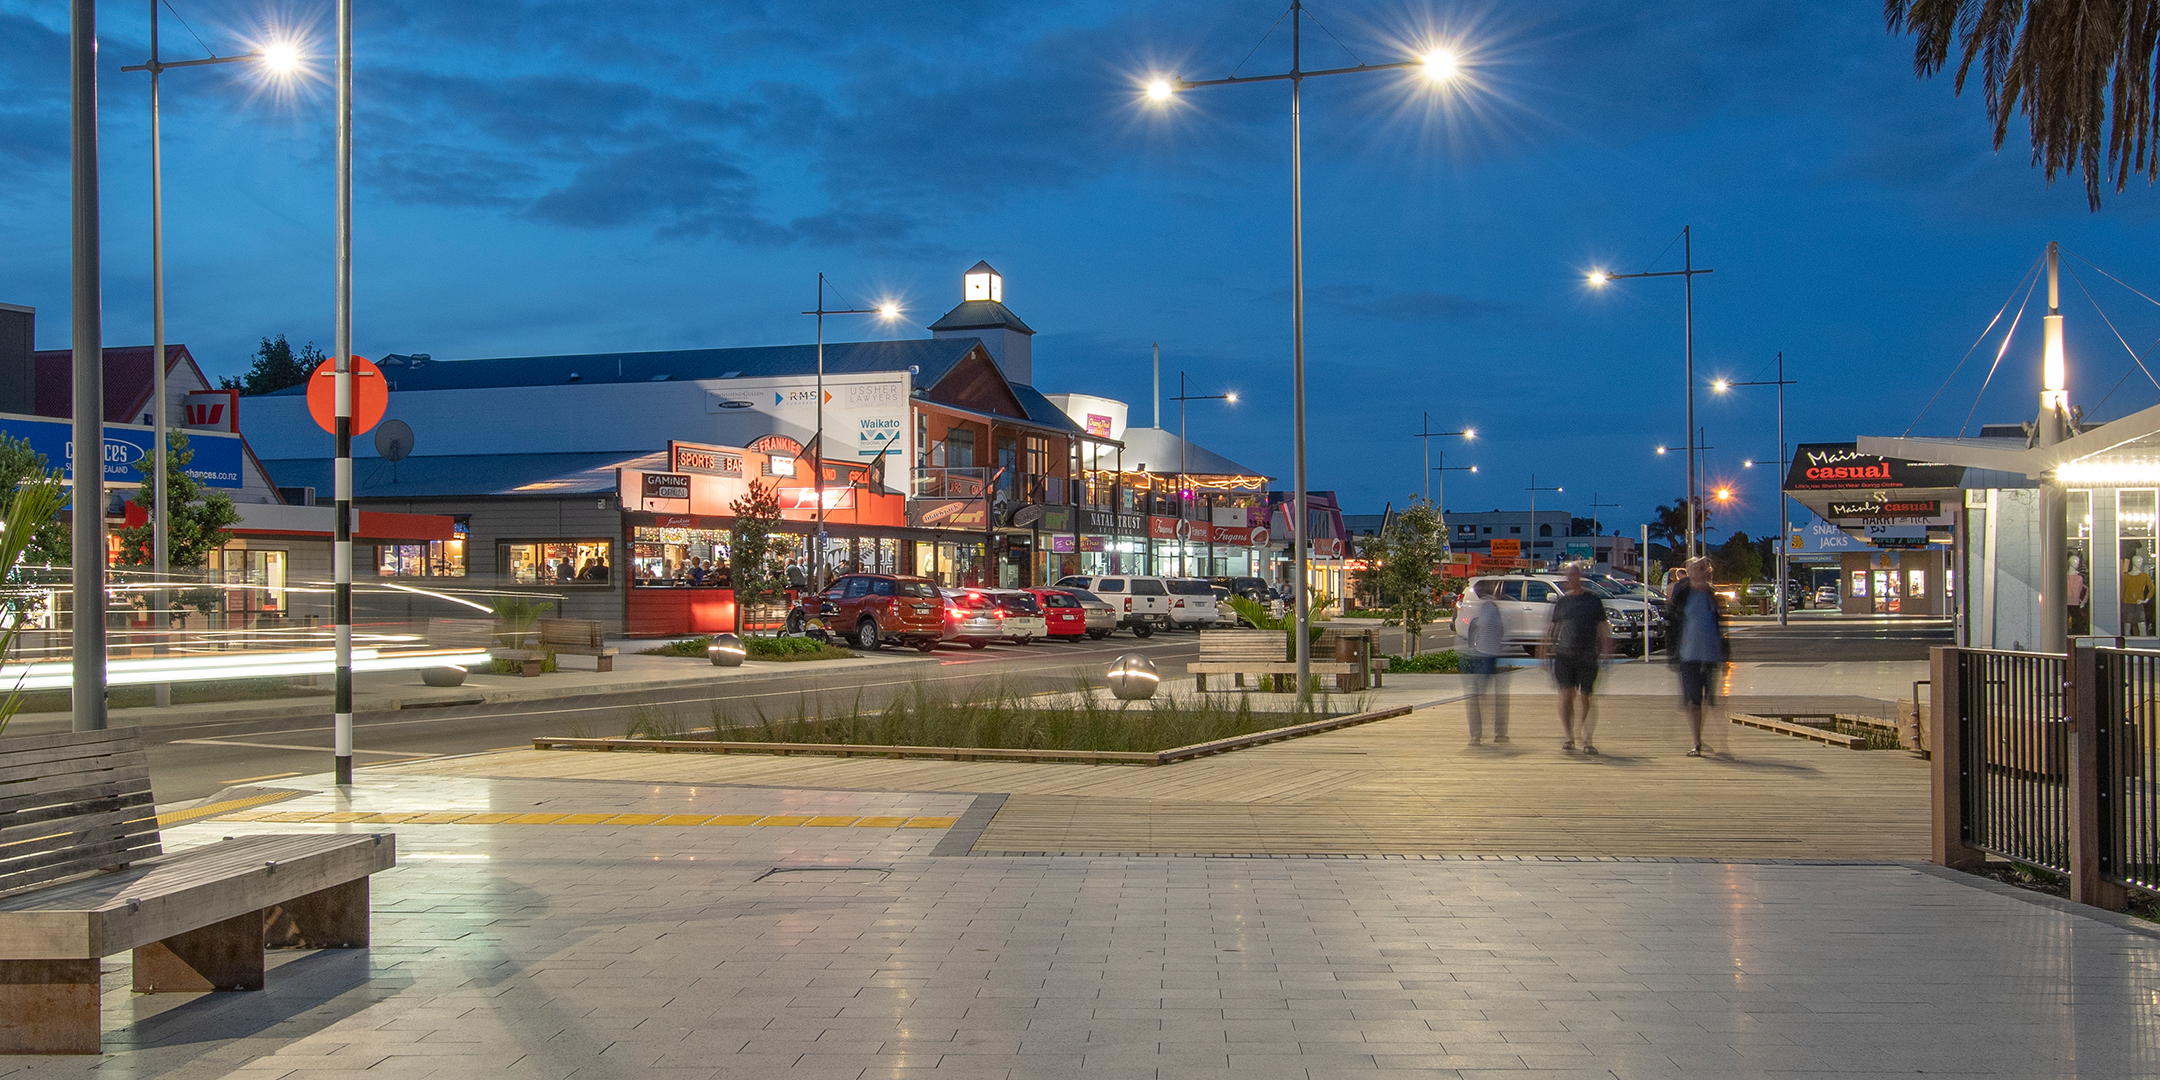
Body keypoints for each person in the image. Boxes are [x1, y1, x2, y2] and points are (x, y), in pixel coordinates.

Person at [1544, 565, 1610, 754]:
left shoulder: (1592, 599)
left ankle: (1587, 737)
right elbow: (1553, 626)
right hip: (1565, 653)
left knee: (1586, 695)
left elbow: (1602, 626)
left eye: (1574, 574)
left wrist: (1606, 648)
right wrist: (1545, 650)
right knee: (1566, 694)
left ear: (1579, 576)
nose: (1571, 577)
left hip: (1587, 653)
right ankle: (1568, 736)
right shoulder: (1563, 601)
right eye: (1568, 575)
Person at [1668, 557, 1727, 757]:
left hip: (1711, 655)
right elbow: (1673, 625)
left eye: (1703, 569)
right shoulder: (1683, 594)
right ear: (1689, 572)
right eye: (1695, 569)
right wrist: (1672, 654)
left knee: (1711, 700)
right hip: (1688, 655)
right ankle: (1697, 742)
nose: (1700, 572)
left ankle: (1718, 742)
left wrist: (1726, 655)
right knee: (1694, 701)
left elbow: (1720, 627)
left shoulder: (1712, 595)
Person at [1462, 593, 1507, 746]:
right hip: (1487, 654)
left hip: (1485, 654)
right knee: (1493, 696)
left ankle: (1479, 735)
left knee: (1480, 695)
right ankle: (1495, 733)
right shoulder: (1489, 608)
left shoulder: (1486, 608)